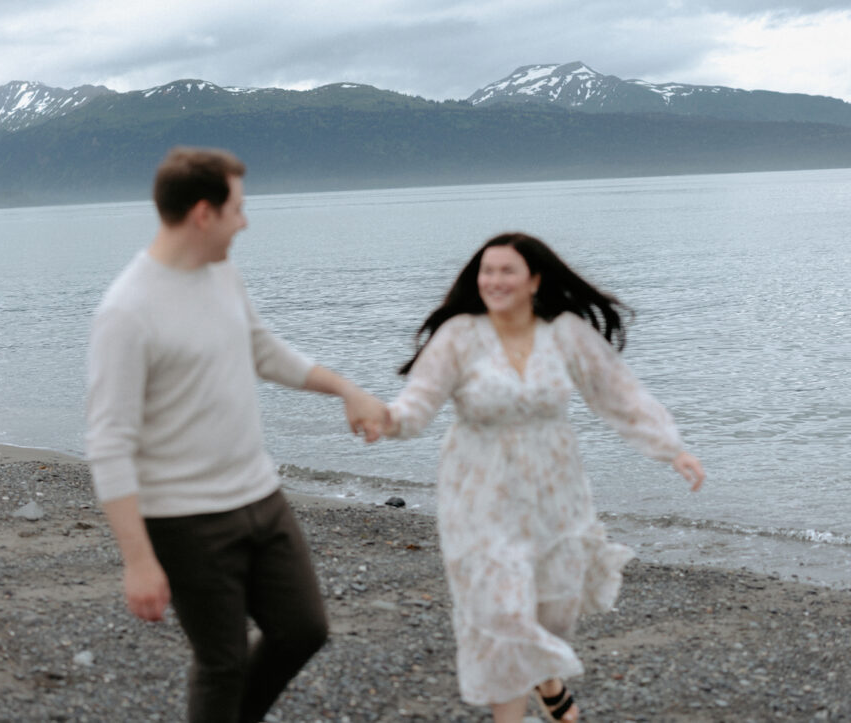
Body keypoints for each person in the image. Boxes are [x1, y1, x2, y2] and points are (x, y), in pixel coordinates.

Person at [85, 146, 387, 723]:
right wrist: (138, 560)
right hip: (185, 520)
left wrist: (346, 389)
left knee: (303, 630)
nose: (245, 222)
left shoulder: (221, 272)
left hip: (260, 497)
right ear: (204, 213)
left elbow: (261, 349)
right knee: (221, 663)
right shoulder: (126, 312)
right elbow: (108, 442)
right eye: (238, 210)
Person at [369, 232, 705, 723]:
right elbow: (416, 406)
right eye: (487, 271)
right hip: (479, 493)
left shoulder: (564, 332)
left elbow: (618, 394)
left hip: (556, 493)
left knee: (552, 610)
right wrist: (384, 419)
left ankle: (548, 679)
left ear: (534, 280)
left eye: (507, 271)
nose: (494, 280)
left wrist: (671, 448)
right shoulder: (460, 335)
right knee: (501, 612)